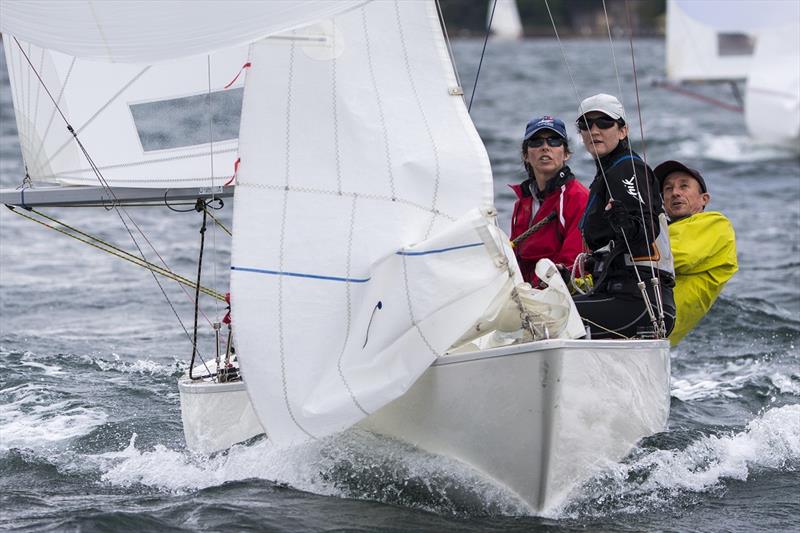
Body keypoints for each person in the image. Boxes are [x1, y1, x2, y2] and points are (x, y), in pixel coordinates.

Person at [572, 94, 676, 339]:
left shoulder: (626, 168)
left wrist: (626, 224)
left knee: (548, 314)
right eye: (586, 125)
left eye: (604, 123)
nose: (594, 130)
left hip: (640, 303)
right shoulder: (605, 175)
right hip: (615, 295)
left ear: (622, 130)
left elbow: (646, 230)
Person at [654, 160, 738, 345]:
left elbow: (672, 258)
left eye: (684, 186)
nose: (675, 192)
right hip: (645, 321)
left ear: (704, 199)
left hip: (651, 322)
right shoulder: (661, 230)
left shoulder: (715, 223)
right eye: (668, 189)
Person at [510, 116, 589, 284]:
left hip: (559, 293)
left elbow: (572, 264)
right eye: (536, 142)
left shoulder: (578, 198)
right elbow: (514, 261)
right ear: (526, 154)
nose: (545, 147)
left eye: (554, 141)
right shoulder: (521, 204)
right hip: (524, 293)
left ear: (566, 153)